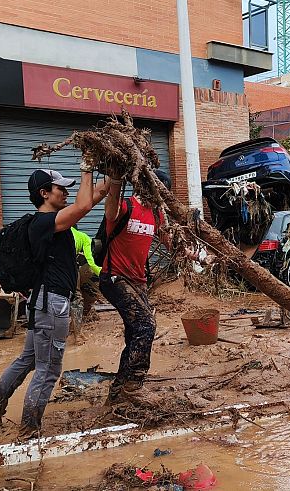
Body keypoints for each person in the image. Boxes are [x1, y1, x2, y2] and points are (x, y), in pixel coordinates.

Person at [0, 166, 112, 439]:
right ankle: (29, 430)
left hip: (43, 303)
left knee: (28, 360)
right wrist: (87, 168)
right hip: (52, 305)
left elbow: (94, 195)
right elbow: (84, 204)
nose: (66, 192)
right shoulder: (43, 223)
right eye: (60, 188)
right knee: (49, 369)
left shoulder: (56, 221)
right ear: (44, 193)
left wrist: (114, 173)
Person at [99, 169, 175, 405]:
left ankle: (118, 392)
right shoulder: (125, 206)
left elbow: (173, 244)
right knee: (146, 325)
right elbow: (110, 210)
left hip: (138, 282)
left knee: (134, 335)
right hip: (114, 278)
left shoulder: (157, 215)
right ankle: (133, 386)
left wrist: (202, 258)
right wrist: (115, 179)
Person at [70, 225, 101, 337]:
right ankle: (77, 335)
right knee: (77, 297)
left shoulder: (57, 231)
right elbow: (91, 263)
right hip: (68, 266)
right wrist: (102, 273)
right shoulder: (84, 238)